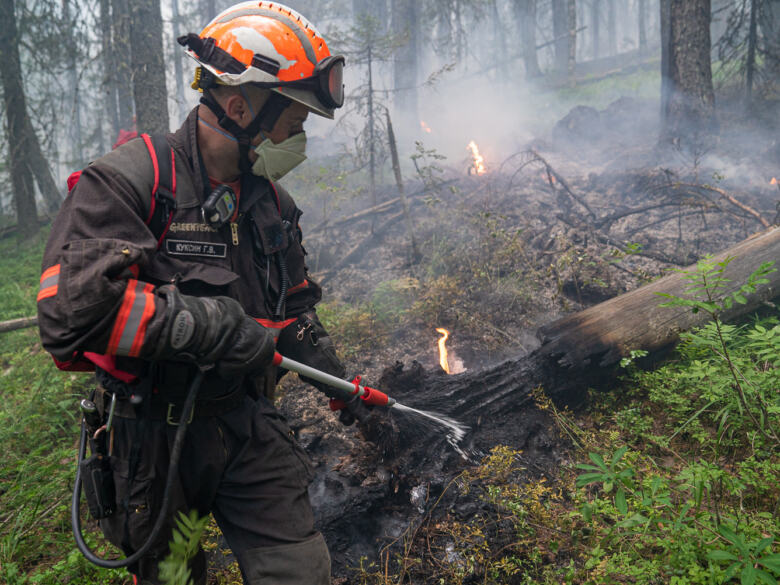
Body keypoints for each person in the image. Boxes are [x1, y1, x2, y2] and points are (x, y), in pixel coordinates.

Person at [36, 3, 357, 583]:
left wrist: (342, 386)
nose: (300, 139)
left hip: (249, 423)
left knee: (300, 570)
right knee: (176, 578)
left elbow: (295, 313)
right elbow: (69, 313)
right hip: (153, 440)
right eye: (295, 122)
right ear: (240, 107)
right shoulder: (132, 181)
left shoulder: (272, 205)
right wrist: (205, 325)